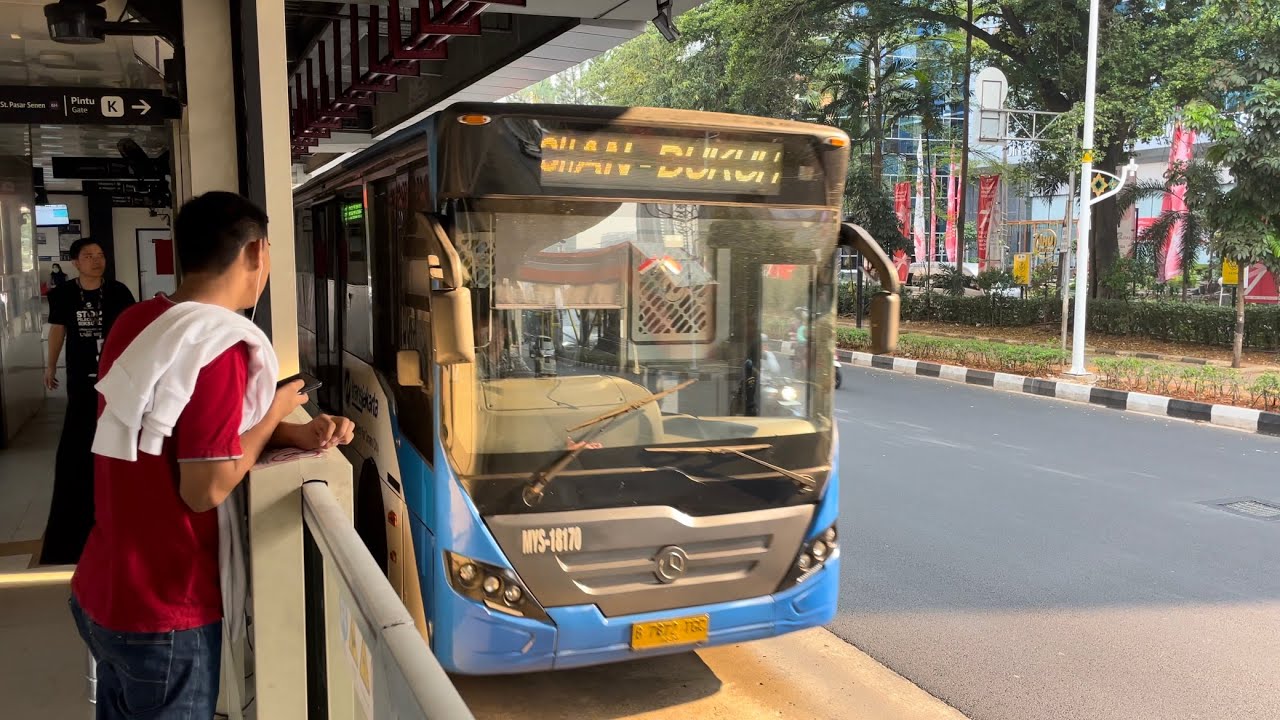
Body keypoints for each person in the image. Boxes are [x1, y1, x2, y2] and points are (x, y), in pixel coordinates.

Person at [68, 192, 355, 719]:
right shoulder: (219, 347)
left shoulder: (138, 323)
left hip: (102, 587)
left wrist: (292, 435)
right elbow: (204, 490)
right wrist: (272, 413)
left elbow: (172, 435)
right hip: (165, 609)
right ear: (255, 253)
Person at [40, 239, 136, 565]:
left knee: (115, 440)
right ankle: (80, 515)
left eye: (100, 255)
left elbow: (132, 332)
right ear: (75, 263)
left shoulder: (119, 292)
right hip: (81, 381)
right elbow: (58, 331)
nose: (96, 261)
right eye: (88, 257)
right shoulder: (64, 294)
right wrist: (51, 365)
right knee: (80, 443)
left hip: (116, 379)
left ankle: (118, 506)